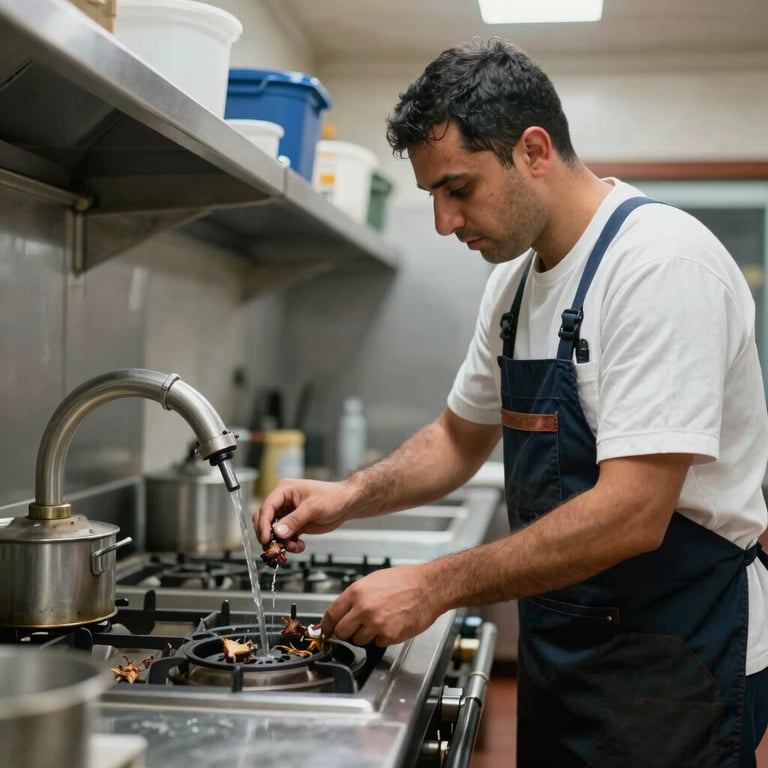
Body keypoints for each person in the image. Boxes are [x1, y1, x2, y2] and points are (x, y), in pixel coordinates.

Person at [255, 38, 768, 766]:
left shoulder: (660, 266)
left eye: (458, 188)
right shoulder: (516, 284)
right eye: (433, 195)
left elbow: (633, 513)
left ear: (534, 150)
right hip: (566, 649)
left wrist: (433, 585)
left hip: (678, 658)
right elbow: (458, 438)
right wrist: (348, 495)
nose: (443, 221)